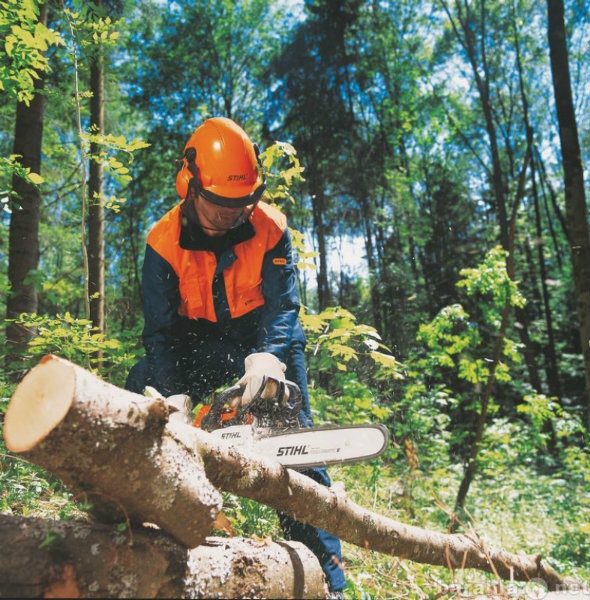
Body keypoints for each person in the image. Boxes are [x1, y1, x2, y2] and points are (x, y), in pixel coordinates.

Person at [126, 116, 346, 596]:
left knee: (296, 441)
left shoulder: (270, 227)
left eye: (242, 203)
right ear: (190, 188)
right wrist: (171, 395)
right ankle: (138, 540)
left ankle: (327, 579)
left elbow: (284, 306)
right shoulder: (162, 244)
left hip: (261, 340)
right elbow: (159, 333)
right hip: (193, 341)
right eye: (221, 205)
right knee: (139, 389)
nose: (232, 215)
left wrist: (268, 357)